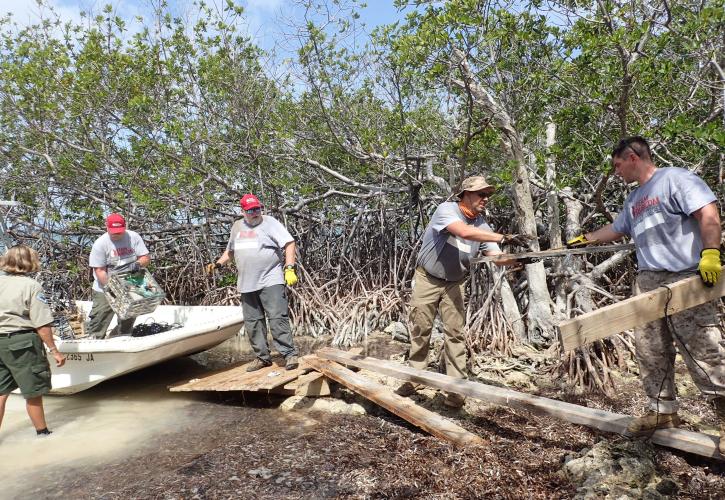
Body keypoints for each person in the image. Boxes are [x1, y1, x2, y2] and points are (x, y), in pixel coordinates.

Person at [567, 136, 724, 452]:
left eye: (617, 165)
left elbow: (708, 214)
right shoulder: (634, 199)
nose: (616, 172)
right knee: (650, 349)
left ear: (632, 156)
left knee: (703, 349)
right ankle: (661, 412)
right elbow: (618, 229)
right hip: (648, 280)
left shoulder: (676, 179)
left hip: (686, 276)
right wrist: (586, 239)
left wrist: (710, 253)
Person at [396, 176, 532, 408]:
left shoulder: (483, 226)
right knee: (420, 327)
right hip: (428, 277)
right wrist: (504, 236)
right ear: (466, 194)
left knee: (455, 333)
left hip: (455, 282)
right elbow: (462, 232)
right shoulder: (447, 210)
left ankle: (456, 389)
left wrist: (519, 260)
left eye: (487, 195)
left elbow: (496, 257)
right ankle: (416, 377)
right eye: (481, 194)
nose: (485, 199)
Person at [207, 193, 300, 371]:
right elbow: (231, 251)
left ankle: (289, 355)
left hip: (270, 279)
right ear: (243, 211)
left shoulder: (270, 222)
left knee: (277, 317)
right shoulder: (237, 227)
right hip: (246, 283)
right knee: (253, 321)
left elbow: (289, 243)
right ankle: (262, 357)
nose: (255, 212)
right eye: (250, 210)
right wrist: (218, 264)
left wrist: (289, 268)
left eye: (257, 208)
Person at [0, 245, 66, 435]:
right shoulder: (31, 286)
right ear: (29, 262)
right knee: (33, 391)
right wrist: (54, 350)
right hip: (22, 344)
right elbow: (42, 325)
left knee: (2, 393)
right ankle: (43, 434)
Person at [87, 213, 150, 339]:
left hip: (129, 283)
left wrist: (138, 264)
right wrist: (113, 288)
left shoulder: (133, 237)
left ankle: (123, 337)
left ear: (124, 227)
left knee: (129, 314)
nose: (116, 235)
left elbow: (145, 257)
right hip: (105, 287)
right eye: (113, 232)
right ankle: (95, 341)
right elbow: (99, 271)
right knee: (100, 317)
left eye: (119, 232)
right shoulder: (100, 244)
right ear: (107, 228)